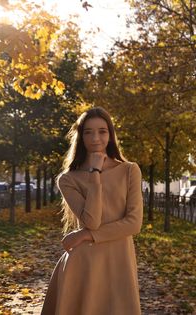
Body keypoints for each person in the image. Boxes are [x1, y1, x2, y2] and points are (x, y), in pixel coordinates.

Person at [41, 106, 143, 315]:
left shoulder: (129, 170)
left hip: (119, 262)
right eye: (88, 132)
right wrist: (95, 172)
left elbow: (134, 223)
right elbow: (92, 221)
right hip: (84, 264)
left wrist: (86, 235)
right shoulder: (68, 179)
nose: (95, 137)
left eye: (102, 131)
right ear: (80, 136)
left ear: (111, 135)